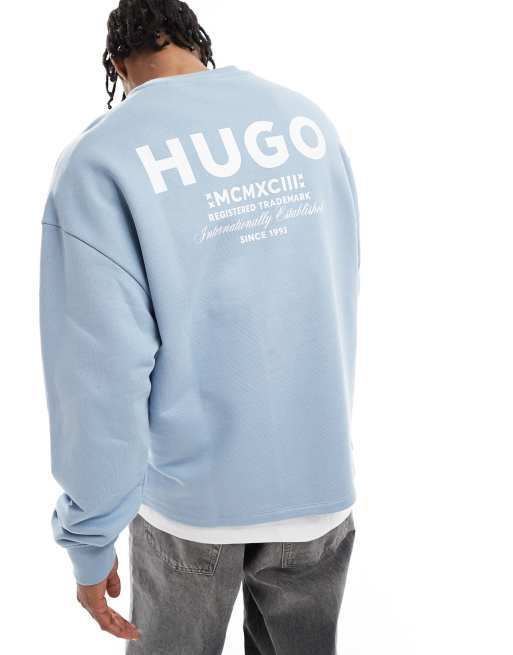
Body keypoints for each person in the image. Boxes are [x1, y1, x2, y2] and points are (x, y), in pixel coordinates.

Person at [39, 1, 360, 652]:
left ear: (116, 64)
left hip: (192, 506)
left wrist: (90, 539)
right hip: (319, 488)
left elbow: (100, 374)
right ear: (197, 44)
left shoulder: (101, 157)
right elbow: (333, 285)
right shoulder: (304, 120)